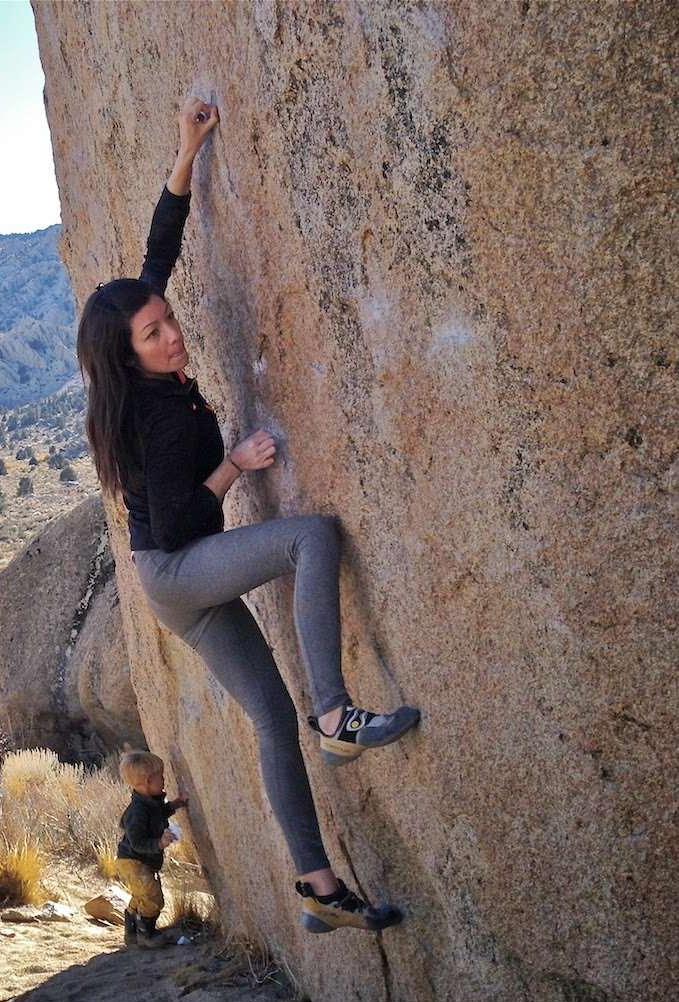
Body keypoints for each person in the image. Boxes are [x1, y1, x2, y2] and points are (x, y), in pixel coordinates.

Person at [76, 96, 422, 934]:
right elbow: (189, 524)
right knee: (311, 536)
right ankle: (337, 713)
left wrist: (186, 149)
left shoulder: (142, 342)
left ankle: (317, 889)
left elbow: (160, 250)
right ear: (130, 357)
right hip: (180, 568)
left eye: (166, 322)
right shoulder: (152, 420)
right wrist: (237, 462)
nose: (172, 334)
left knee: (271, 718)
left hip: (173, 585)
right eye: (154, 335)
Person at [115, 750, 189, 949]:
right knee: (152, 897)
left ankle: (132, 933)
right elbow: (137, 842)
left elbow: (160, 812)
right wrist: (158, 843)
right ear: (148, 781)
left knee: (141, 895)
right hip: (133, 861)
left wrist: (177, 804)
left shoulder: (150, 803)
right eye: (161, 777)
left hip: (135, 861)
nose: (164, 780)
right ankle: (147, 935)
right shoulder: (137, 811)